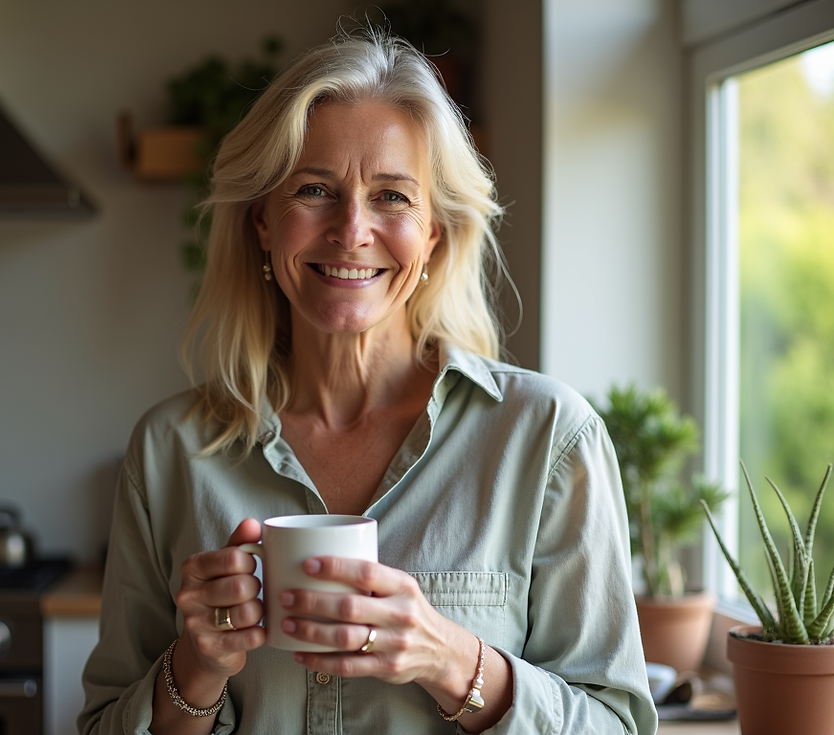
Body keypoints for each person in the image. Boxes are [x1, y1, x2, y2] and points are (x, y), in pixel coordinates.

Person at [78, 26, 658, 735]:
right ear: (263, 220)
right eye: (315, 189)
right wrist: (196, 665)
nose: (352, 230)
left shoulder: (548, 438)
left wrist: (452, 660)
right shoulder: (169, 450)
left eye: (392, 197)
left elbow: (616, 724)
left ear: (435, 234)